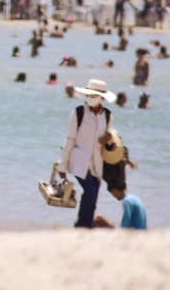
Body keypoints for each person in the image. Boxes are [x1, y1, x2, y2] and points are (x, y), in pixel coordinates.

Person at [59, 79, 116, 228]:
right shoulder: (78, 113)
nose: (90, 98)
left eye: (94, 95)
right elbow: (70, 139)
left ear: (102, 97)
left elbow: (109, 140)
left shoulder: (108, 115)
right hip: (78, 160)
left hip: (97, 163)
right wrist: (62, 165)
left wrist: (109, 138)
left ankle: (87, 226)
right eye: (88, 94)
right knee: (90, 192)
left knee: (94, 196)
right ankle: (81, 225)